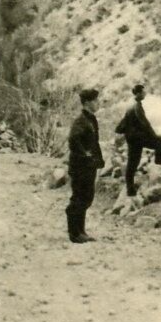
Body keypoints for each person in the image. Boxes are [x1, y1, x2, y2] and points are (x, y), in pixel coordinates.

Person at [115, 83, 161, 197]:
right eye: (143, 92)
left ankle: (130, 189)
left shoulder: (131, 104)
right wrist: (154, 136)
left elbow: (125, 122)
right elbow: (145, 123)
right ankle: (157, 170)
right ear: (138, 93)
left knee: (133, 162)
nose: (145, 94)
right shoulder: (137, 106)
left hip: (131, 137)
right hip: (137, 138)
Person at [66, 88, 105, 243]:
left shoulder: (90, 119)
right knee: (80, 197)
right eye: (95, 101)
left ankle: (80, 231)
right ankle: (74, 233)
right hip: (80, 166)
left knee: (86, 197)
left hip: (88, 166)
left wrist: (98, 159)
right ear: (87, 103)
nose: (98, 103)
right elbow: (73, 140)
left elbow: (94, 142)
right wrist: (85, 155)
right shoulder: (81, 120)